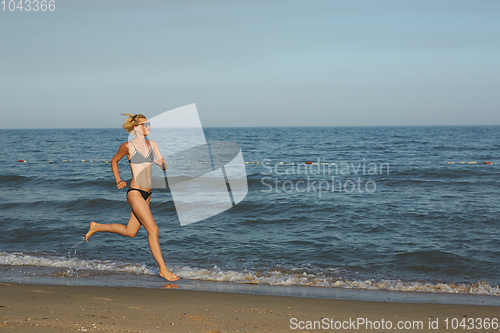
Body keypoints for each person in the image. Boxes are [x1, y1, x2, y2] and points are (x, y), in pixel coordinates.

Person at [85, 113, 179, 282]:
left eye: (149, 124)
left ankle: (97, 227)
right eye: (145, 124)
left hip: (148, 193)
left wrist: (162, 163)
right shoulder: (127, 146)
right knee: (153, 230)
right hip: (135, 192)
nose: (148, 127)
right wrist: (118, 180)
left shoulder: (153, 144)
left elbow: (162, 166)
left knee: (131, 232)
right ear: (136, 127)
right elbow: (114, 161)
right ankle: (163, 269)